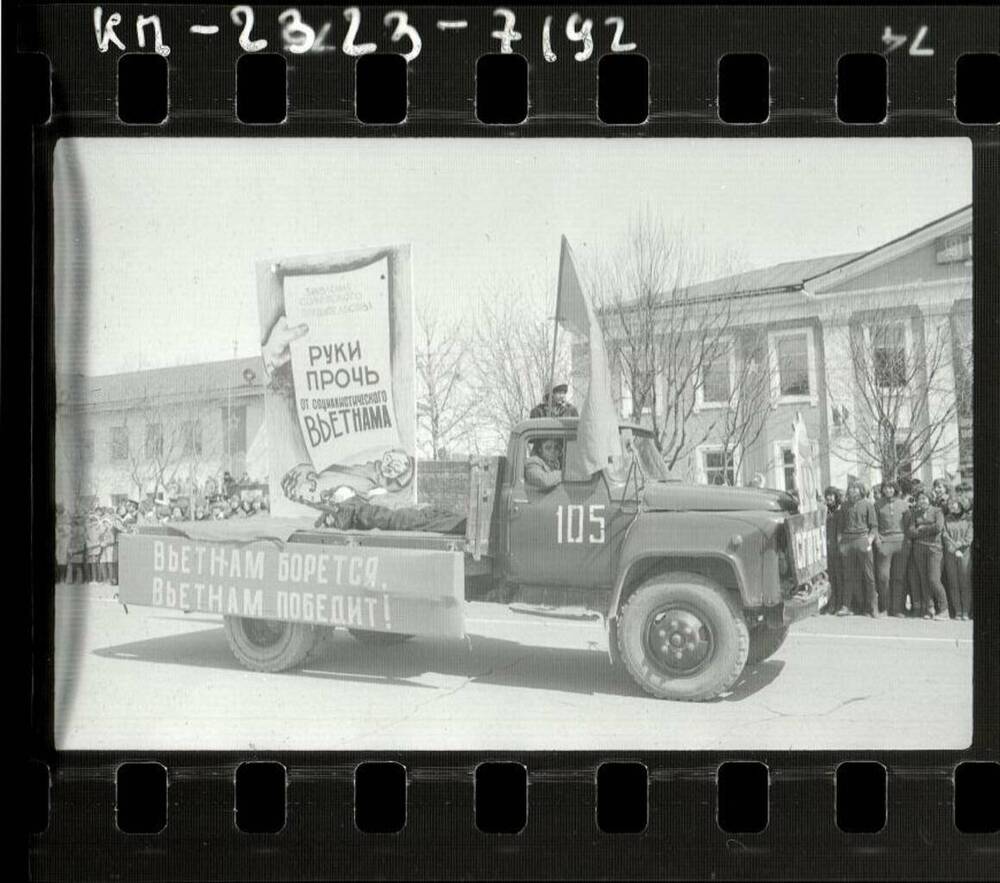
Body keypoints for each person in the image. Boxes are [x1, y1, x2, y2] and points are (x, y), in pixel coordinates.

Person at [836, 480, 878, 617]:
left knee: (869, 576)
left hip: (862, 540)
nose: (853, 491)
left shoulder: (868, 505)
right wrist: (841, 543)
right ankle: (846, 606)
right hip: (847, 542)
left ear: (861, 490)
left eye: (856, 488)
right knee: (848, 576)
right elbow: (840, 527)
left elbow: (874, 527)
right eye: (851, 488)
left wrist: (869, 541)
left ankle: (872, 608)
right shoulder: (844, 506)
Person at [905, 490, 948, 620]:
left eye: (924, 498)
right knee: (923, 579)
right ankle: (929, 608)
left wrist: (922, 528)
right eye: (920, 499)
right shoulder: (915, 513)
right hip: (919, 548)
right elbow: (911, 531)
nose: (922, 501)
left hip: (934, 549)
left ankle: (944, 609)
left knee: (934, 579)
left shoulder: (937, 511)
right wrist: (926, 528)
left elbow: (938, 527)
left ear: (929, 499)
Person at [874, 480, 909, 617]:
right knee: (883, 577)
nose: (888, 490)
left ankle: (898, 608)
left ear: (895, 489)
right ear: (883, 490)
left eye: (891, 488)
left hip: (901, 543)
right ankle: (885, 607)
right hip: (885, 543)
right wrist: (877, 540)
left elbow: (908, 525)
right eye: (885, 488)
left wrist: (907, 542)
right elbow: (873, 525)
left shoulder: (904, 505)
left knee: (899, 577)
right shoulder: (877, 505)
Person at [942, 496, 972, 621]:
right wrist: (952, 547)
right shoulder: (947, 519)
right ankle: (958, 611)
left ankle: (966, 611)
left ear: (960, 504)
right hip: (950, 553)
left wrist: (959, 547)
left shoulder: (969, 519)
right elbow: (945, 535)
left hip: (965, 553)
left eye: (953, 503)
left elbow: (969, 537)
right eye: (950, 504)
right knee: (953, 582)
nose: (951, 506)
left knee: (965, 582)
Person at [823, 487, 843, 615]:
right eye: (827, 496)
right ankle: (830, 603)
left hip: (838, 549)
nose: (829, 498)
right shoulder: (824, 512)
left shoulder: (839, 512)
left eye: (831, 496)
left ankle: (838, 604)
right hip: (827, 550)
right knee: (829, 579)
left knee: (838, 578)